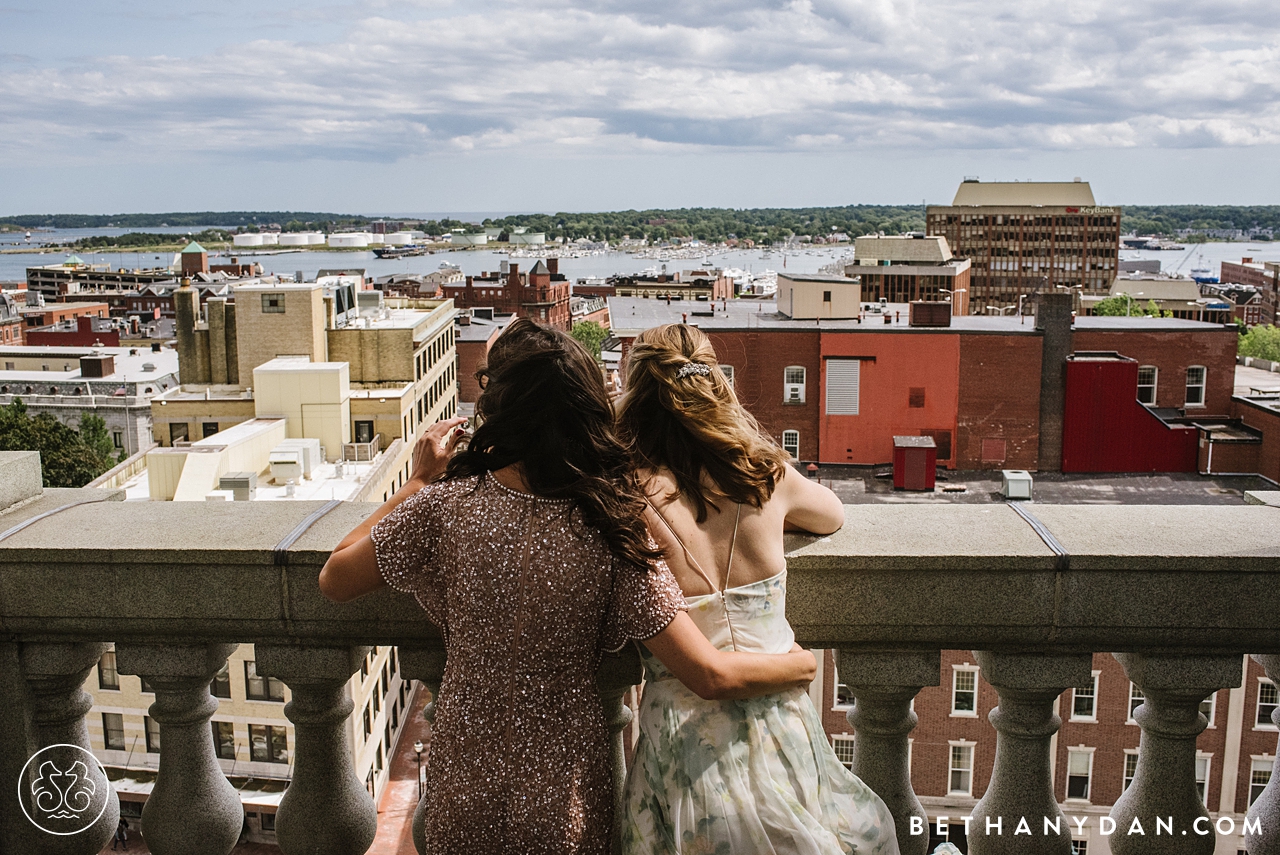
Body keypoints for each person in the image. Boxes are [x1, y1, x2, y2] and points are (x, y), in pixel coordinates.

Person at [318, 319, 817, 855]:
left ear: (501, 411)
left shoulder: (447, 506)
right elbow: (710, 673)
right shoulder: (612, 529)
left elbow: (335, 577)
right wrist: (802, 664)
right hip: (565, 786)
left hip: (465, 767)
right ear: (588, 412)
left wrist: (419, 483)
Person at [615, 323, 901, 855]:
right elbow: (832, 516)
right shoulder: (766, 477)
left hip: (684, 753)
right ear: (716, 387)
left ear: (635, 398)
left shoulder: (624, 499)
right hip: (782, 731)